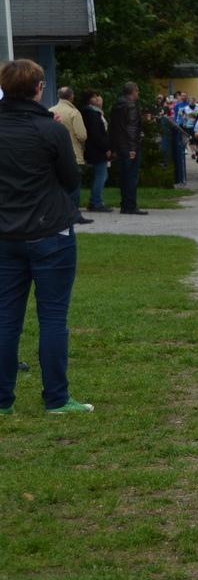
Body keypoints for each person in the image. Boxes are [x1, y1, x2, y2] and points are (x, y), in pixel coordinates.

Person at [0, 59, 92, 415]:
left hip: (6, 232)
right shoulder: (50, 129)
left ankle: (3, 400)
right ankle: (55, 398)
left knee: (7, 318)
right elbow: (71, 180)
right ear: (39, 89)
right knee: (53, 317)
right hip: (50, 230)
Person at [47, 87, 93, 224]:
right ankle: (74, 215)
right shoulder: (74, 112)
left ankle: (58, 214)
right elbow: (82, 135)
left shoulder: (50, 111)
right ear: (72, 97)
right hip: (73, 154)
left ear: (58, 96)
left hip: (53, 154)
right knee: (73, 186)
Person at [110, 83, 147, 216]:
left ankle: (125, 204)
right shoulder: (131, 106)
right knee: (131, 177)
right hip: (129, 145)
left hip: (120, 146)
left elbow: (113, 127)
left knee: (124, 176)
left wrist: (114, 147)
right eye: (137, 91)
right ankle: (130, 205)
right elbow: (132, 128)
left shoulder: (117, 105)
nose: (138, 94)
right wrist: (133, 147)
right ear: (134, 92)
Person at [79, 91, 111, 212]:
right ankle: (96, 202)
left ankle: (94, 200)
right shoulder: (93, 114)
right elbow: (97, 134)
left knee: (101, 175)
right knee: (100, 175)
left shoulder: (89, 112)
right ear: (88, 100)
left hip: (92, 148)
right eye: (94, 97)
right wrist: (106, 147)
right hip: (97, 149)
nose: (97, 98)